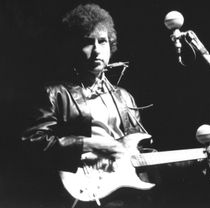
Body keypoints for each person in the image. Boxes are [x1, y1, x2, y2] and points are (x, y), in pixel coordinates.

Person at [21, 3, 157, 208]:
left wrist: (192, 160)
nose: (96, 51)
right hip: (80, 195)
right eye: (87, 43)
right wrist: (91, 144)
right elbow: (31, 142)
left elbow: (139, 152)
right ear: (72, 47)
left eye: (102, 41)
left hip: (126, 196)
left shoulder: (125, 98)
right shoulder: (54, 93)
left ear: (111, 45)